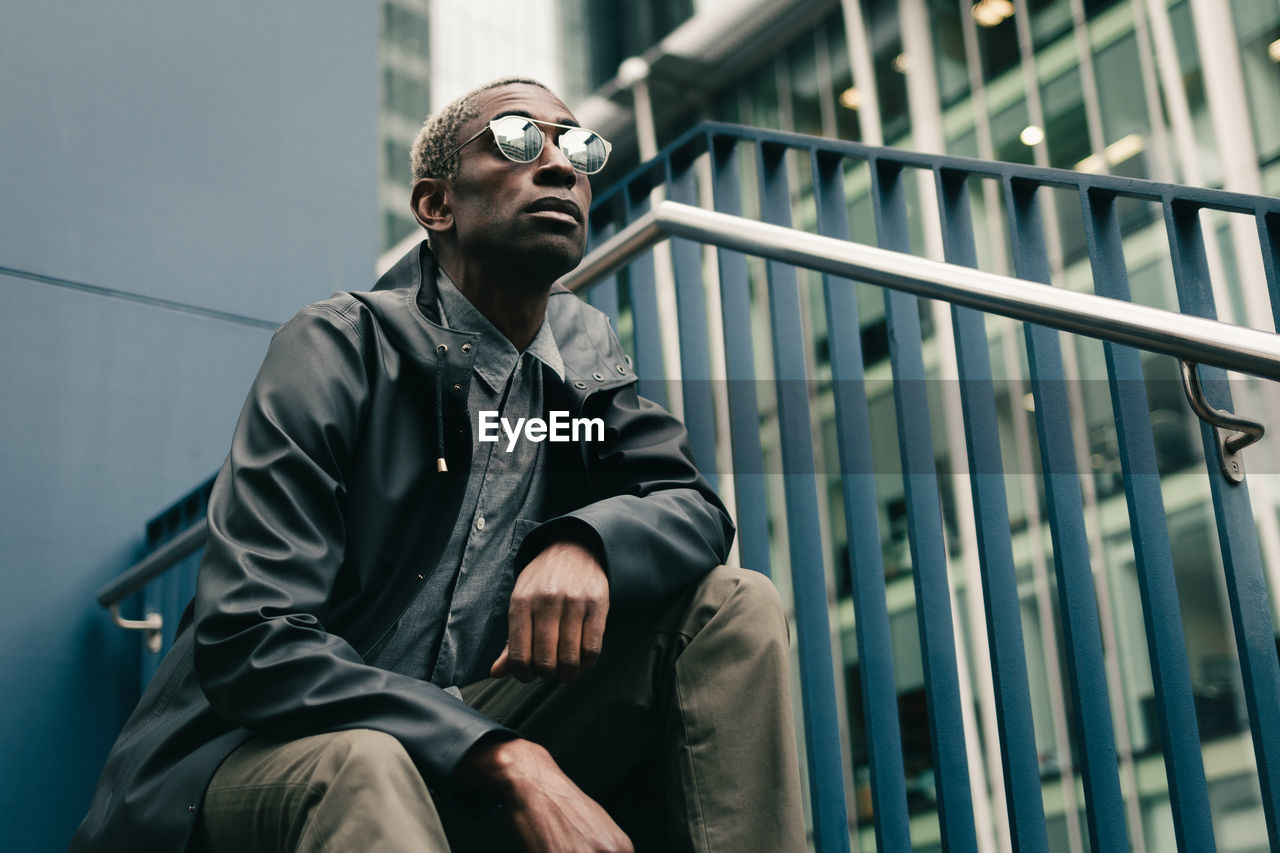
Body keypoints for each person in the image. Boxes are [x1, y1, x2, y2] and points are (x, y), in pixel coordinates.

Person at [71, 77, 805, 853]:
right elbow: (250, 638)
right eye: (519, 140)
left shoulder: (584, 364)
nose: (560, 165)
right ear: (436, 205)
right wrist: (503, 755)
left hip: (460, 738)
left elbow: (688, 503)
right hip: (250, 757)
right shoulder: (340, 346)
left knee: (731, 604)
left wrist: (588, 541)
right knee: (367, 758)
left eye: (579, 147)